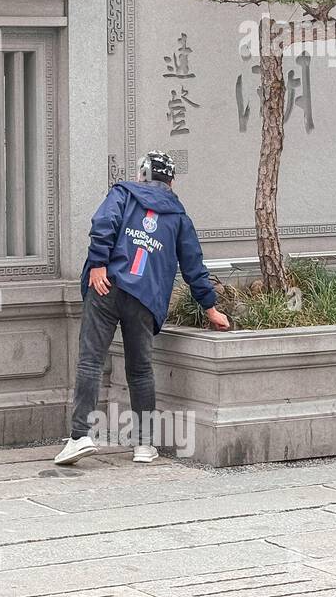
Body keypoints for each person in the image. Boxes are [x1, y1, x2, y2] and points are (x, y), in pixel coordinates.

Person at [55, 151, 231, 468]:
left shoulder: (123, 193)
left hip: (106, 286)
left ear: (142, 175)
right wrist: (210, 309)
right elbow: (193, 265)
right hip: (144, 297)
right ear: (171, 180)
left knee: (91, 360)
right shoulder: (178, 215)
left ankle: (80, 436)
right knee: (140, 370)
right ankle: (144, 445)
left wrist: (97, 264)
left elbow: (103, 222)